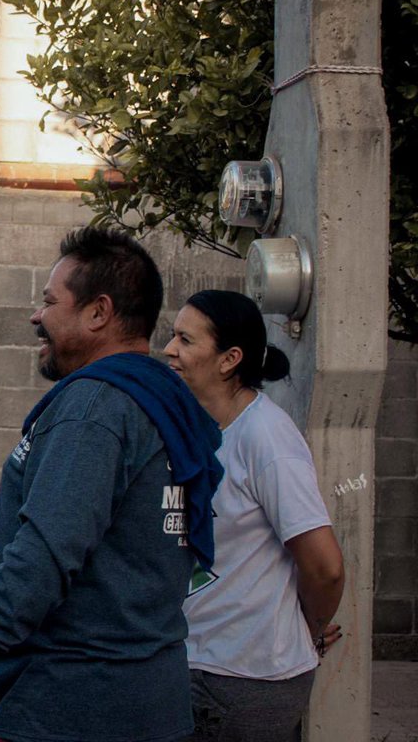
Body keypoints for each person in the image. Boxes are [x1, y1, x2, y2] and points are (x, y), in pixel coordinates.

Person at [0, 227, 224, 742]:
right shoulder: (162, 399)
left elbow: (47, 546)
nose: (36, 316)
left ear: (98, 312)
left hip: (72, 704)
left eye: (49, 302)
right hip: (146, 697)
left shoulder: (95, 407)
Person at [164, 290, 345, 741]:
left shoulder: (267, 438)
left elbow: (324, 567)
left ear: (229, 360)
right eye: (173, 336)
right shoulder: (197, 430)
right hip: (190, 665)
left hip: (241, 683)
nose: (169, 349)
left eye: (185, 339)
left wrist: (309, 630)